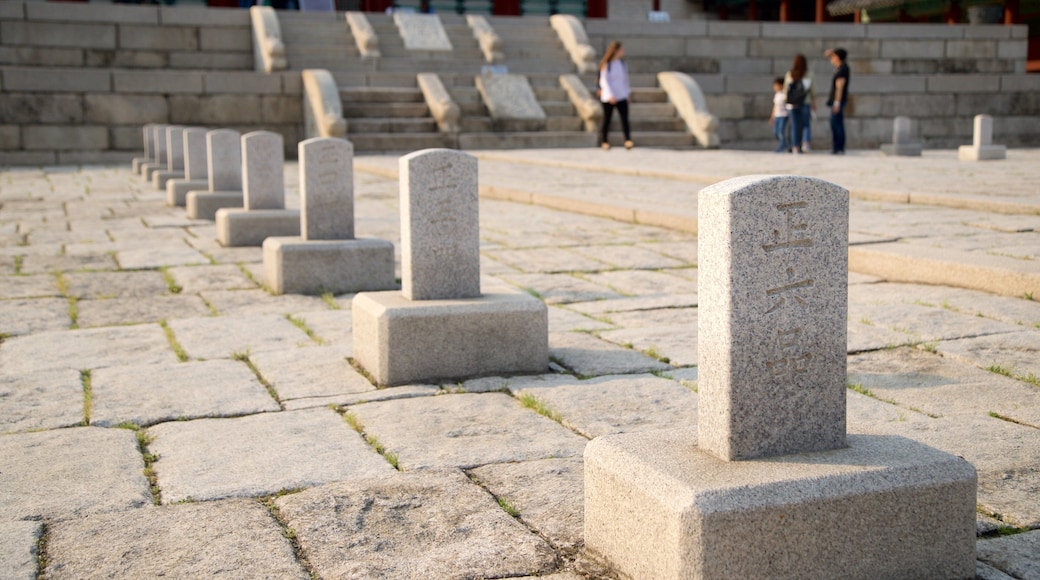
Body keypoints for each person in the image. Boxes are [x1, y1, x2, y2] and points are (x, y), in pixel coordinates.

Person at [598, 41, 633, 151]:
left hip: (621, 95)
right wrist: (610, 95)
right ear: (616, 51)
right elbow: (604, 81)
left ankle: (627, 139)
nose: (623, 52)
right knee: (607, 119)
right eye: (621, 49)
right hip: (609, 97)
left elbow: (625, 80)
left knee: (625, 119)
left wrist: (627, 94)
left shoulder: (622, 64)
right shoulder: (607, 64)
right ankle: (604, 141)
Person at [783, 54, 810, 154]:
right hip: (805, 102)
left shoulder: (790, 74)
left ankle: (795, 146)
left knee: (794, 125)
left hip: (792, 103)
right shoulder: (808, 74)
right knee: (805, 124)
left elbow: (786, 89)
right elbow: (812, 90)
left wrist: (786, 101)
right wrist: (814, 102)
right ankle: (805, 143)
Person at [825, 47, 850, 155]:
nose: (832, 58)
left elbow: (839, 87)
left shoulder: (843, 69)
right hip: (837, 101)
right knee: (836, 123)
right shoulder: (840, 68)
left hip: (838, 101)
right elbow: (826, 54)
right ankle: (838, 147)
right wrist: (832, 52)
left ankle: (838, 147)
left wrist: (836, 103)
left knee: (836, 124)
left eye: (834, 56)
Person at [769, 77, 789, 153]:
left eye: (776, 85)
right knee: (776, 132)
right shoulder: (777, 95)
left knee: (781, 131)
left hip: (783, 115)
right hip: (777, 115)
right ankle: (785, 144)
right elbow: (775, 106)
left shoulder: (785, 94)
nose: (775, 87)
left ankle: (782, 146)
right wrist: (772, 117)